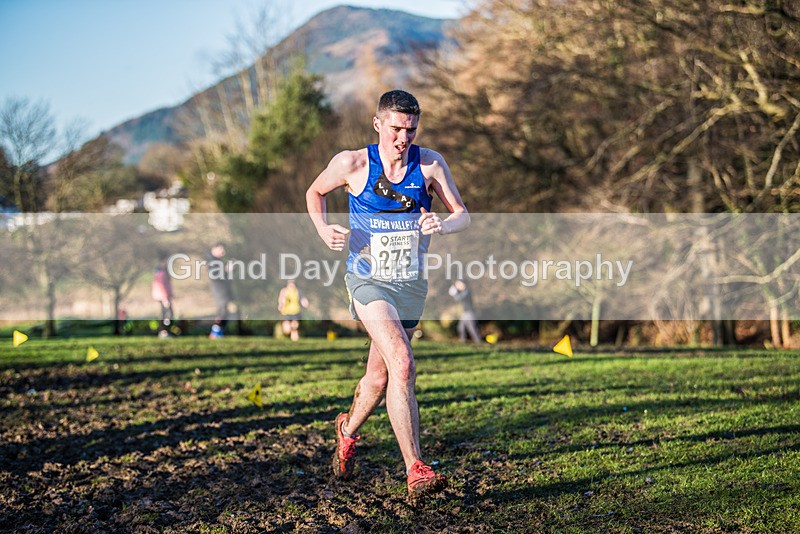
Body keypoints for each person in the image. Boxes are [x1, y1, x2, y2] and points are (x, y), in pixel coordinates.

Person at [306, 89, 470, 499]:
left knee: (379, 377)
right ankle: (416, 469)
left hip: (411, 284)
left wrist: (442, 226)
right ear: (378, 124)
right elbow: (314, 192)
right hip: (367, 280)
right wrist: (324, 229)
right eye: (396, 128)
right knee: (403, 361)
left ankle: (346, 431)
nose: (403, 138)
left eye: (411, 130)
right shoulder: (352, 163)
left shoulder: (430, 163)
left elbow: (462, 214)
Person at [204, 242, 241, 337]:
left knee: (225, 310)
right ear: (214, 248)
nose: (223, 253)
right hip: (220, 290)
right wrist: (226, 270)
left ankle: (218, 331)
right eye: (221, 250)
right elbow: (215, 275)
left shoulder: (215, 260)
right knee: (222, 310)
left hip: (223, 289)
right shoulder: (212, 261)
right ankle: (216, 332)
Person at [449, 279, 481, 343]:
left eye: (458, 284)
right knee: (461, 328)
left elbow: (459, 298)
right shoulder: (463, 292)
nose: (457, 286)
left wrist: (454, 294)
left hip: (469, 313)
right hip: (465, 313)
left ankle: (479, 342)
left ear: (463, 284)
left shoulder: (467, 291)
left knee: (472, 329)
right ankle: (462, 341)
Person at [151, 252, 174, 338]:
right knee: (167, 314)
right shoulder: (160, 271)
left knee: (166, 313)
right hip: (163, 296)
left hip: (163, 296)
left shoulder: (161, 270)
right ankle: (164, 332)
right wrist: (165, 298)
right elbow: (161, 285)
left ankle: (164, 332)